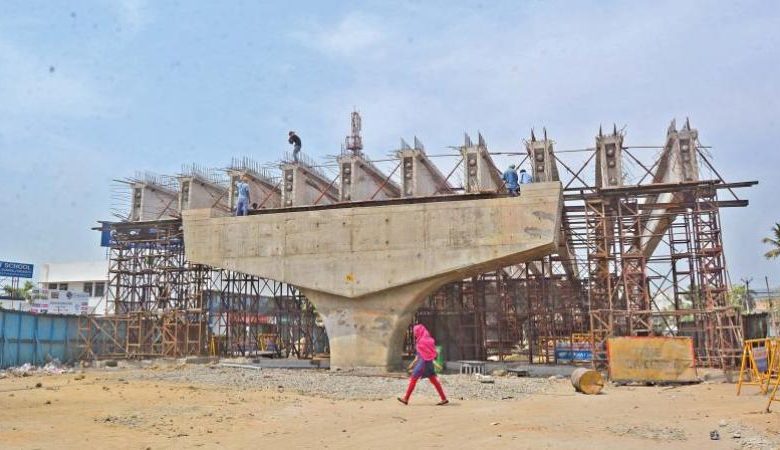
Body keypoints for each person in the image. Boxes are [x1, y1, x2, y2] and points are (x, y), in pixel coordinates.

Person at [397, 324, 449, 406]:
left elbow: (420, 357)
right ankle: (444, 398)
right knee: (434, 381)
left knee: (413, 379)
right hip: (429, 364)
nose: (414, 334)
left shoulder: (420, 342)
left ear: (418, 332)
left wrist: (412, 365)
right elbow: (429, 355)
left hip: (422, 364)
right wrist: (412, 365)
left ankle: (406, 398)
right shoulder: (430, 341)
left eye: (415, 332)